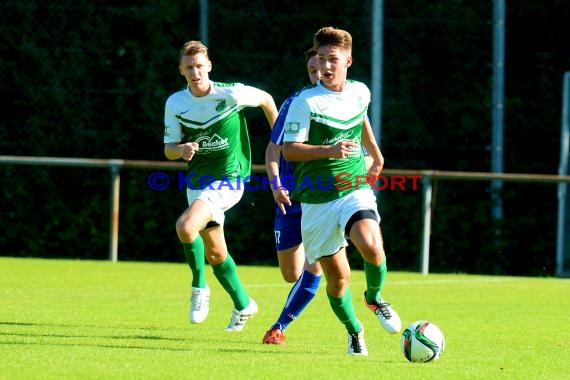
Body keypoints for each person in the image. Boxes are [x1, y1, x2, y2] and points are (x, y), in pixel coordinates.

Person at [282, 27, 401, 356]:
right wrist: (329, 151)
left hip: (352, 187)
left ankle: (375, 298)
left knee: (372, 246)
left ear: (348, 60)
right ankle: (355, 331)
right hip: (317, 200)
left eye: (332, 59)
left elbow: (360, 118)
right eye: (321, 59)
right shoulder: (305, 102)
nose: (325, 65)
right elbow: (290, 150)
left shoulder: (361, 92)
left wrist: (375, 153)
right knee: (338, 280)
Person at [262, 47, 376, 346]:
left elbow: (359, 133)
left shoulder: (347, 100)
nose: (319, 73)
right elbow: (275, 149)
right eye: (313, 69)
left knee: (318, 264)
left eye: (323, 66)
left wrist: (368, 160)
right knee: (291, 273)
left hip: (327, 196)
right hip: (290, 195)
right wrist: (275, 184)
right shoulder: (298, 103)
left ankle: (279, 326)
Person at [163, 40, 278, 331]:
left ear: (209, 66)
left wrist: (280, 142)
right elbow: (169, 149)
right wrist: (182, 150)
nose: (195, 71)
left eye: (200, 65)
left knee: (186, 226)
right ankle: (243, 304)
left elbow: (265, 98)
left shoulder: (231, 93)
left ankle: (198, 289)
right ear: (181, 70)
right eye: (189, 67)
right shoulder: (176, 103)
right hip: (198, 182)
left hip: (230, 177)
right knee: (216, 253)